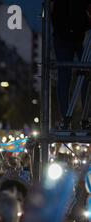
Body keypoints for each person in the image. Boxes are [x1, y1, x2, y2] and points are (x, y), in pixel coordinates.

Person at [52, 0, 91, 130]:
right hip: (63, 36)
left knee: (86, 76)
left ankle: (85, 118)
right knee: (64, 77)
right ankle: (66, 118)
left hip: (79, 34)